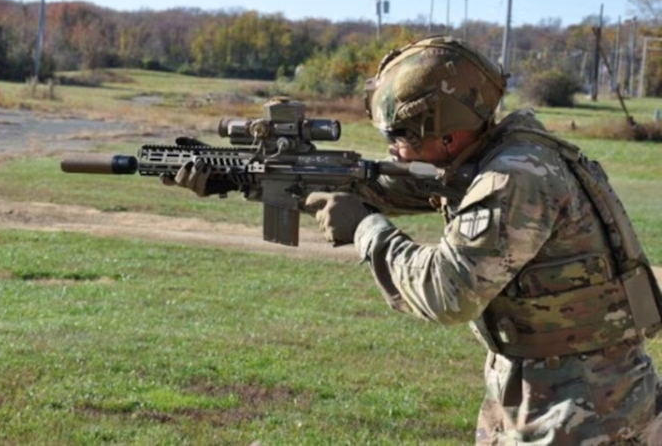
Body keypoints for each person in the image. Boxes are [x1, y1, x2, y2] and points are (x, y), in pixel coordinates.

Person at [165, 36, 662, 445]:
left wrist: (364, 228)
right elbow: (392, 185)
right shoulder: (507, 154)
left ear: (445, 131)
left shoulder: (514, 178)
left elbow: (449, 292)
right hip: (563, 390)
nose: (393, 147)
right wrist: (246, 180)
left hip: (584, 409)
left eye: (401, 133)